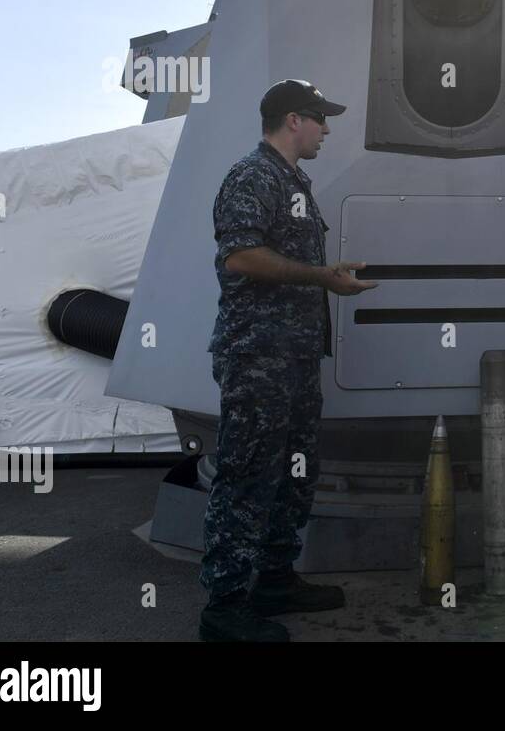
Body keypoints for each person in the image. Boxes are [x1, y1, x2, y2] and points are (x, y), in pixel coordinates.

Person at [199, 79, 377, 642]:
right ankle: (225, 609)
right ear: (293, 120)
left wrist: (327, 273)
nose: (327, 129)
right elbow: (242, 257)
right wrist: (321, 276)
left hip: (293, 358)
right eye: (320, 119)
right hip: (258, 357)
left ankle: (274, 579)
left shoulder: (292, 181)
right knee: (247, 476)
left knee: (294, 474)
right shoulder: (253, 176)